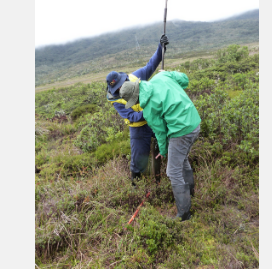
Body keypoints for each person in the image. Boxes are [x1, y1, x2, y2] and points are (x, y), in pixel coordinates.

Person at [119, 71, 201, 221]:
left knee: (173, 171)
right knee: (182, 161)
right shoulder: (161, 77)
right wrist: (169, 73)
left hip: (181, 131)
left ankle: (184, 214)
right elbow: (184, 80)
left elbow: (161, 132)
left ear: (135, 97)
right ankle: (190, 193)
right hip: (194, 123)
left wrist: (162, 151)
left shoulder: (149, 109)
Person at [106, 34, 169, 187]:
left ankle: (163, 176)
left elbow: (151, 65)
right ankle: (136, 186)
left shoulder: (135, 77)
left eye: (120, 85)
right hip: (138, 128)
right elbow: (133, 117)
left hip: (153, 120)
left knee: (167, 141)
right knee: (139, 158)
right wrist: (151, 111)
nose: (120, 90)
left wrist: (161, 48)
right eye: (116, 88)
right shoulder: (115, 100)